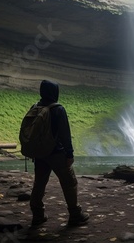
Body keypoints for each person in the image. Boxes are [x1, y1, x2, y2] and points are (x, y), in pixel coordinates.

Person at [29, 80, 89, 226]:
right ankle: (75, 215)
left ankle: (37, 216)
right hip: (57, 154)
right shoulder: (58, 109)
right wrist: (69, 154)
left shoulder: (35, 107)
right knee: (69, 183)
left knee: (39, 184)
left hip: (40, 154)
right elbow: (65, 134)